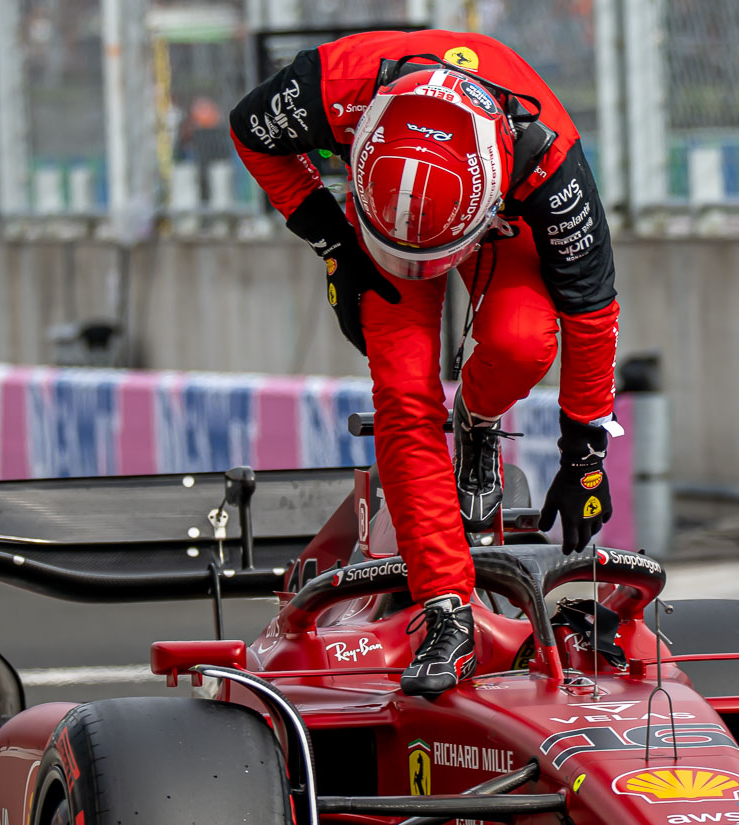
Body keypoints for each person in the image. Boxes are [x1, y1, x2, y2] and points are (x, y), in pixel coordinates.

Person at [230, 31, 621, 697]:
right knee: (405, 398)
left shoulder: (549, 164)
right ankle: (446, 610)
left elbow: (591, 312)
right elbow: (248, 132)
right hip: (378, 220)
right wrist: (332, 237)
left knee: (523, 339)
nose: (423, 270)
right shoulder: (329, 87)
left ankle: (478, 416)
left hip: (501, 222)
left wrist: (584, 451)